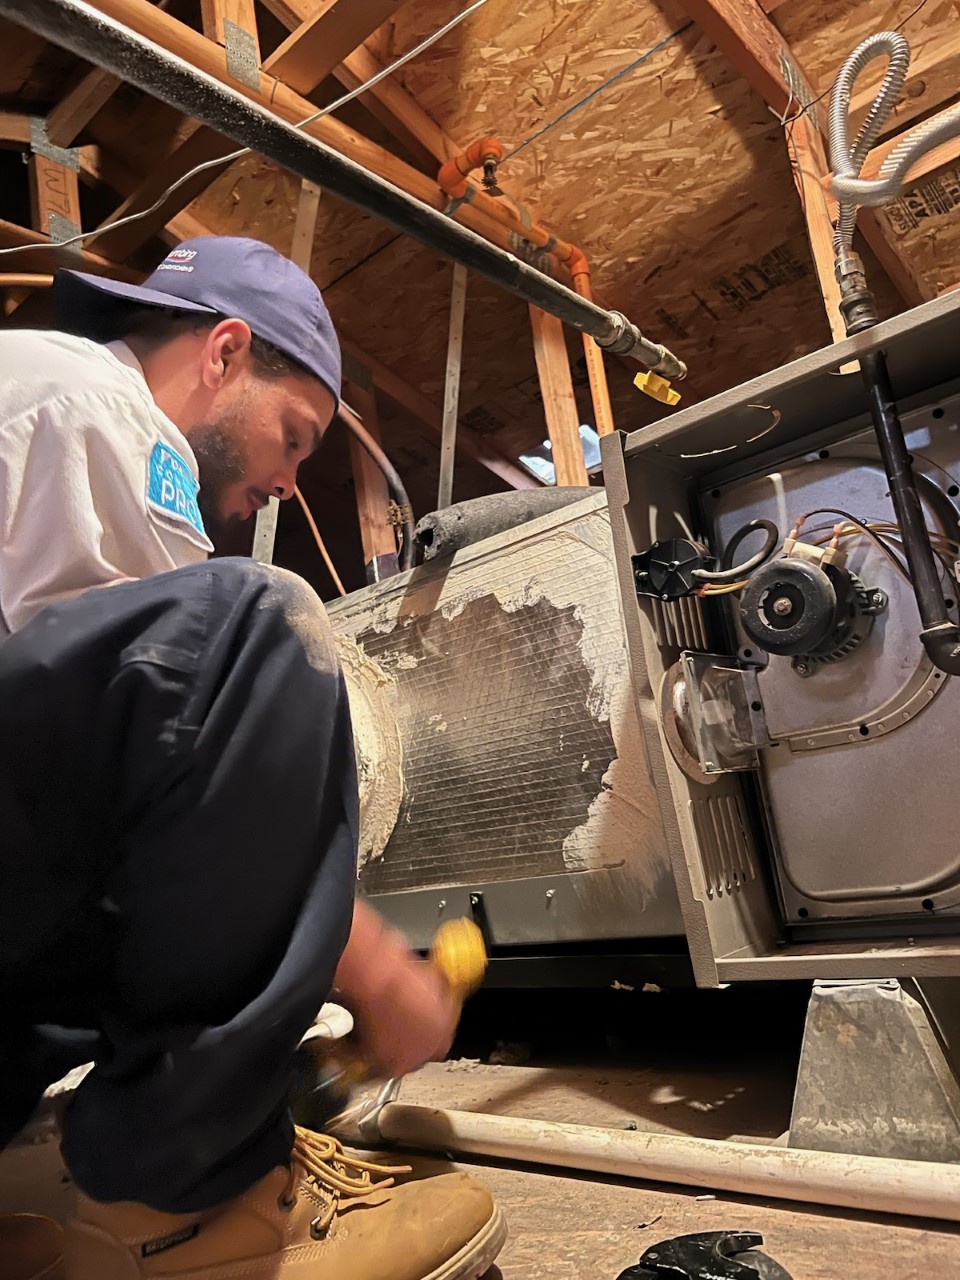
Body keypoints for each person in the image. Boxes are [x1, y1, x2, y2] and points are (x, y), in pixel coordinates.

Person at [0, 237, 505, 1279]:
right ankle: (180, 1202)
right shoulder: (95, 406)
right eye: (294, 434)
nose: (282, 481)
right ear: (224, 351)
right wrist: (381, 976)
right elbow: (167, 731)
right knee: (257, 624)